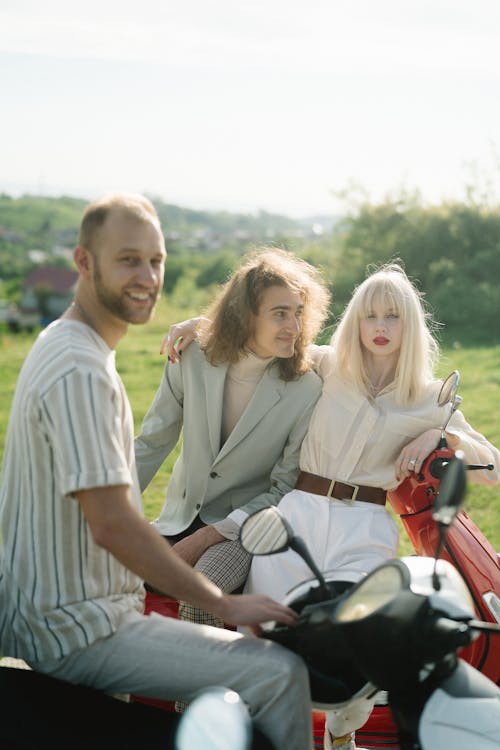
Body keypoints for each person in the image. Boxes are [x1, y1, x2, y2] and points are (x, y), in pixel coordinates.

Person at [0, 193, 315, 750]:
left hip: (69, 605)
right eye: (128, 259)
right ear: (84, 262)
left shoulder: (66, 345)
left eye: (156, 260)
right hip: (80, 626)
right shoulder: (82, 370)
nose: (147, 275)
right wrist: (223, 603)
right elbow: (114, 524)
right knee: (280, 673)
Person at [164, 262, 500, 750]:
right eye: (371, 316)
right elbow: (261, 342)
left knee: (363, 647)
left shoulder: (430, 397)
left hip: (363, 528)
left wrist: (440, 433)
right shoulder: (326, 363)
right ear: (356, 321)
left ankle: (342, 737)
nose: (380, 329)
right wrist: (201, 326)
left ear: (411, 324)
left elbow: (491, 465)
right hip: (294, 515)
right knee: (270, 632)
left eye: (393, 317)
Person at [135, 247, 330, 634]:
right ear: (245, 316)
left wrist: (207, 536)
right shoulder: (191, 357)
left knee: (202, 592)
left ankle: (198, 697)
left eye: (297, 312)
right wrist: (104, 509)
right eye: (280, 313)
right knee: (95, 571)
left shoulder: (306, 388)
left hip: (242, 529)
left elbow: (283, 487)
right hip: (176, 519)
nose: (294, 325)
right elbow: (152, 442)